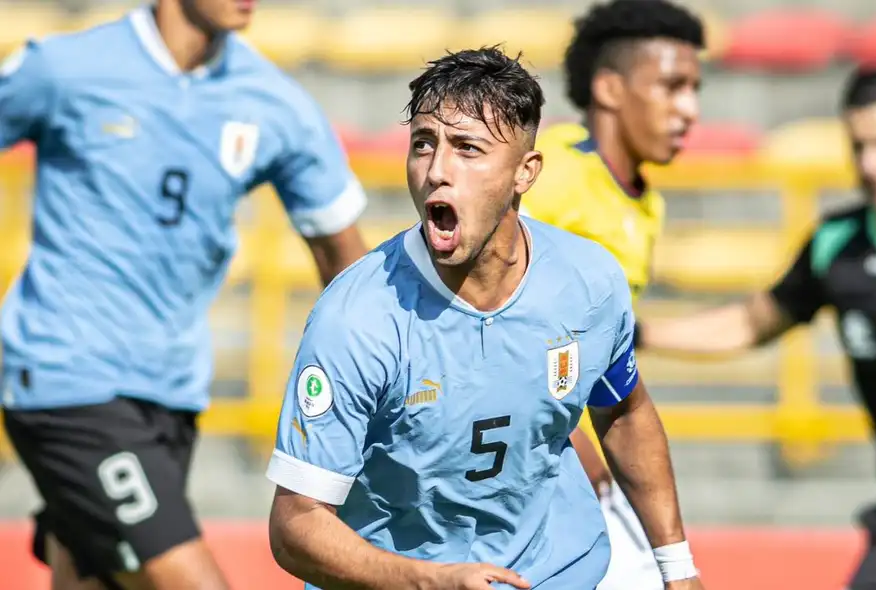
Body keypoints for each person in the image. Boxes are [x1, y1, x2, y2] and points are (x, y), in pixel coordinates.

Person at [265, 46, 705, 590]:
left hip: (555, 573)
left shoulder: (589, 281)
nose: (437, 171)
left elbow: (625, 412)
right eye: (423, 144)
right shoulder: (355, 319)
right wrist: (430, 580)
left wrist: (676, 566)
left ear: (526, 172)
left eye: (467, 148)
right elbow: (295, 523)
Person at [0, 0, 369, 588]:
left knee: (93, 577)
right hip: (65, 378)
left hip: (171, 391)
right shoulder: (67, 67)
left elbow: (341, 253)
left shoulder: (272, 102)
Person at [641, 67, 876, 590]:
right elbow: (749, 323)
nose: (871, 165)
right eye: (858, 147)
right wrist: (640, 335)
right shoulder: (837, 246)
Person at [520, 1, 703, 587]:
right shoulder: (557, 178)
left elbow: (595, 349)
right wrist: (581, 451)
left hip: (588, 459)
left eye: (694, 89)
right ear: (610, 88)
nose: (689, 110)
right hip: (535, 458)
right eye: (672, 86)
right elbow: (503, 327)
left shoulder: (647, 202)